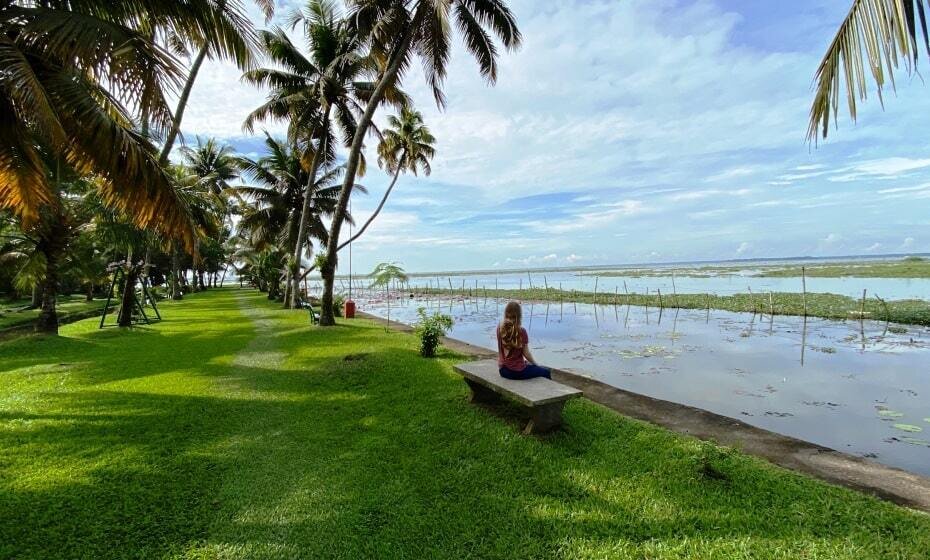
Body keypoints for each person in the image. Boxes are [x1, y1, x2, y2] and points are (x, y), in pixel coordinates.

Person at [496, 301, 551, 380]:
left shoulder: (499, 328)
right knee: (546, 372)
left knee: (530, 366)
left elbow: (500, 349)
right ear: (519, 316)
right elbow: (526, 354)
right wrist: (536, 364)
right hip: (517, 372)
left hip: (503, 370)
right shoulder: (522, 331)